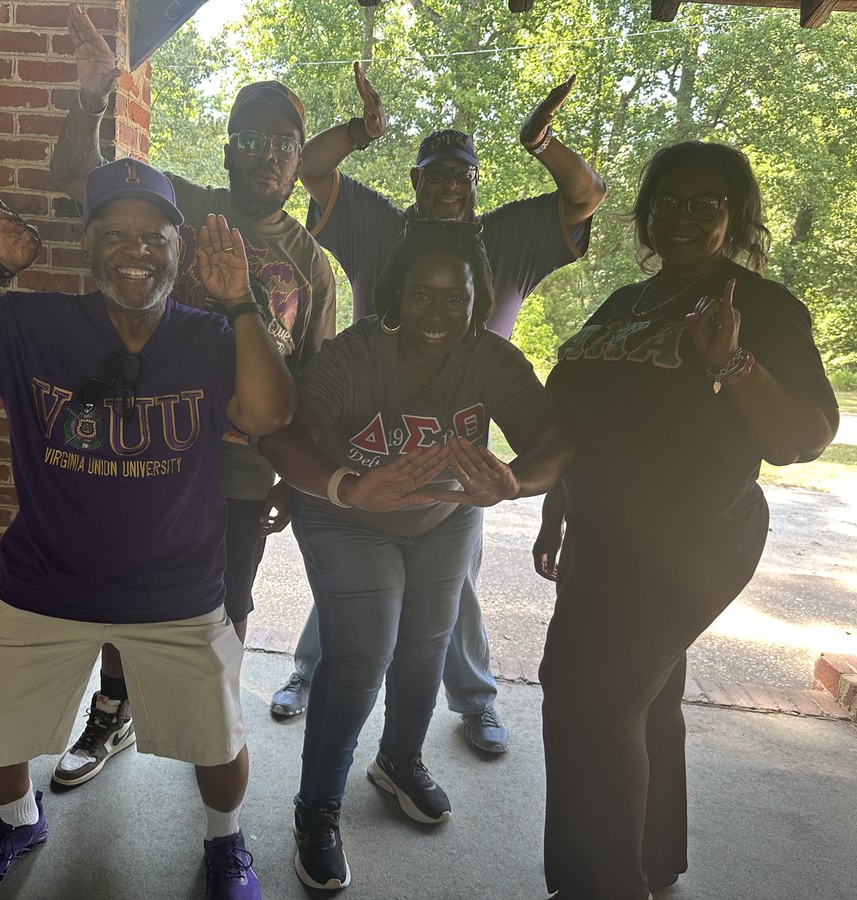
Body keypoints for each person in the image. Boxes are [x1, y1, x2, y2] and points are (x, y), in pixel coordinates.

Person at [0, 161, 295, 900]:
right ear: (88, 244)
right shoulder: (29, 326)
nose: (135, 250)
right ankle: (17, 821)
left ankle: (225, 844)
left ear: (180, 246)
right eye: (115, 233)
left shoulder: (210, 337)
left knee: (219, 746)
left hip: (177, 587)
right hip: (42, 581)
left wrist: (241, 303)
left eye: (152, 236)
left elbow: (267, 417)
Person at [269, 62, 605, 757]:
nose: (450, 184)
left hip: (460, 442)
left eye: (463, 174)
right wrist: (361, 131)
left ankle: (473, 700)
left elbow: (585, 196)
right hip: (361, 430)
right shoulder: (378, 226)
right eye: (436, 173)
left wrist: (541, 140)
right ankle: (309, 672)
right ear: (416, 182)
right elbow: (313, 169)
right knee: (354, 582)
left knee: (447, 594)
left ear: (476, 185)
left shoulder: (507, 237)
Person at [532, 141, 839, 900]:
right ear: (647, 213)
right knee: (647, 694)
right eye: (669, 201)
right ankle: (653, 855)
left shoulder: (759, 306)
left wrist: (733, 363)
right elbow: (578, 418)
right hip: (604, 540)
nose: (683, 217)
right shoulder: (626, 304)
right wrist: (555, 511)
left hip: (691, 541)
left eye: (707, 204)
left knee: (587, 698)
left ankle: (599, 886)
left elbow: (802, 435)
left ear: (735, 217)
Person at [46, 3, 335, 789]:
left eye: (283, 143)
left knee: (222, 607)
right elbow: (76, 177)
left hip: (239, 465)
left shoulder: (313, 265)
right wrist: (89, 97)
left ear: (298, 157)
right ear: (230, 145)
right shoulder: (183, 208)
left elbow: (309, 382)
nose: (267, 155)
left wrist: (287, 472)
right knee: (119, 584)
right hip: (146, 445)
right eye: (252, 137)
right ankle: (115, 710)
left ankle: (213, 730)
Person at [259, 221, 573, 890]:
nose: (438, 313)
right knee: (363, 653)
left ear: (476, 301)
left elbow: (554, 437)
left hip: (442, 516)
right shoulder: (355, 356)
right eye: (422, 295)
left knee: (427, 646)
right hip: (348, 513)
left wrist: (516, 480)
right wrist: (348, 485)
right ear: (396, 296)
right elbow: (287, 440)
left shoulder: (488, 358)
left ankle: (398, 761)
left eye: (454, 297)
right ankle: (316, 808)